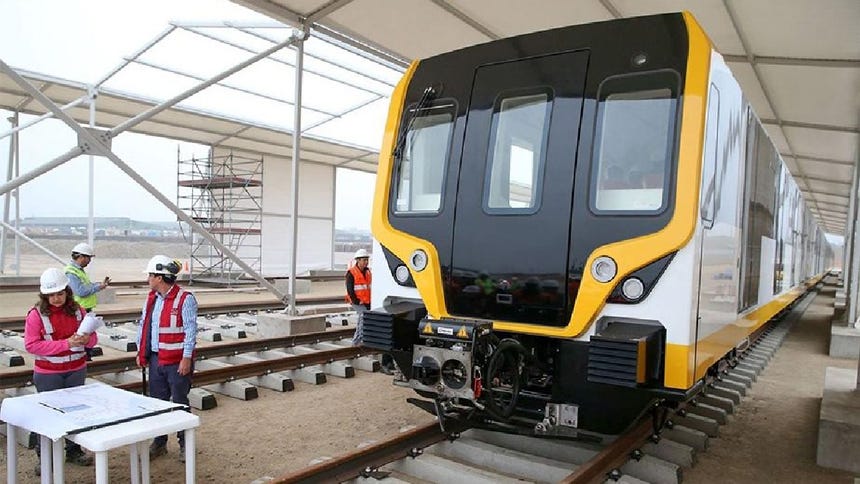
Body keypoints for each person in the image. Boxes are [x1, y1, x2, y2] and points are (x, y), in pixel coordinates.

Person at [24, 268, 98, 470]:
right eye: (51, 295)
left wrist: (87, 339)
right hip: (49, 375)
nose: (56, 299)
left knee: (75, 414)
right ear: (44, 295)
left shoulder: (78, 311)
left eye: (60, 293)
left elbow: (93, 338)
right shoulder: (36, 315)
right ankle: (44, 458)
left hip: (76, 370)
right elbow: (31, 345)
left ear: (67, 291)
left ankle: (73, 451)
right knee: (48, 416)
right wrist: (66, 344)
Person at [135, 255, 197, 462]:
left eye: (150, 275)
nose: (148, 279)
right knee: (157, 403)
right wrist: (140, 351)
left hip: (177, 361)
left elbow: (190, 331)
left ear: (159, 277)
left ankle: (185, 444)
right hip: (155, 359)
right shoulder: (152, 299)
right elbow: (144, 324)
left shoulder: (185, 299)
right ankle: (160, 442)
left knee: (179, 403)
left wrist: (186, 358)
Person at [345, 249, 394, 374]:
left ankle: (362, 340)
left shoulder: (368, 272)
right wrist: (357, 301)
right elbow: (350, 289)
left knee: (366, 321)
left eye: (367, 260)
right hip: (357, 302)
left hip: (367, 301)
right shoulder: (351, 273)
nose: (366, 262)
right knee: (362, 320)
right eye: (364, 260)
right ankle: (355, 343)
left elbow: (370, 287)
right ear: (358, 260)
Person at [64, 242, 111, 313]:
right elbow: (81, 292)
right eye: (89, 258)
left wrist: (100, 285)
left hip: (83, 308)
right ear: (80, 257)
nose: (89, 261)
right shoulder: (71, 272)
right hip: (79, 309)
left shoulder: (78, 270)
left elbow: (87, 285)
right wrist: (98, 287)